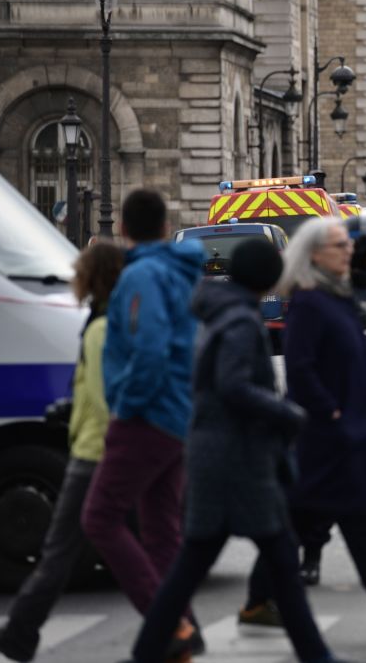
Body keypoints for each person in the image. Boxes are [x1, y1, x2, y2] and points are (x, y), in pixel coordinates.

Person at [125, 239, 352, 663]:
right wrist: (287, 414)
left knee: (208, 563)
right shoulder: (242, 322)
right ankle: (316, 655)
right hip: (239, 461)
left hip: (219, 456)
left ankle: (145, 652)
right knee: (276, 559)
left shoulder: (219, 310)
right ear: (267, 277)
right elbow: (233, 386)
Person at [239, 217, 366, 627]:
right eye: (340, 246)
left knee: (313, 517)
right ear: (315, 256)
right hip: (324, 432)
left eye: (349, 245)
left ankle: (261, 599)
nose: (349, 252)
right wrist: (333, 412)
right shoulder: (308, 301)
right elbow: (302, 370)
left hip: (348, 428)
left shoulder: (342, 295)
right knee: (340, 517)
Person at [0, 245, 124, 663]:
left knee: (75, 544)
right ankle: (21, 632)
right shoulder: (110, 319)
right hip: (97, 445)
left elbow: (101, 397)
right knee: (77, 545)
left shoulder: (99, 327)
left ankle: (172, 621)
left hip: (92, 450)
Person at [80, 190, 205, 656]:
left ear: (126, 230)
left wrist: (125, 406)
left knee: (100, 517)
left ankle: (168, 624)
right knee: (160, 531)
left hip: (147, 414)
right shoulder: (177, 271)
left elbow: (148, 349)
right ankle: (185, 625)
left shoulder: (142, 275)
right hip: (177, 412)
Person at [296, 219, 366, 587]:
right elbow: (302, 365)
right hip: (334, 408)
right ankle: (308, 558)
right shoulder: (326, 296)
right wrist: (329, 408)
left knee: (365, 485)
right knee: (322, 495)